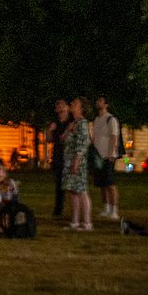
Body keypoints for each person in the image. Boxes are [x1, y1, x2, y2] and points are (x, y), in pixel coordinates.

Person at [60, 97, 93, 230]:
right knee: (73, 191)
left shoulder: (83, 123)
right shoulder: (74, 123)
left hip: (77, 162)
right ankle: (74, 222)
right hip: (69, 161)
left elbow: (83, 143)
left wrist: (76, 161)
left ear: (81, 108)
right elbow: (62, 139)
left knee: (81, 191)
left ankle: (86, 223)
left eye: (75, 103)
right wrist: (68, 129)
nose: (72, 104)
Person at [90, 96, 123, 221]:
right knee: (102, 184)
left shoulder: (111, 119)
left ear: (106, 104)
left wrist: (111, 153)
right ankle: (107, 208)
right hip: (98, 156)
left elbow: (114, 137)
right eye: (97, 101)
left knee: (110, 184)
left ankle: (114, 211)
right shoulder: (97, 119)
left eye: (101, 101)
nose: (98, 103)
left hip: (108, 156)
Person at [47, 98, 71, 220]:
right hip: (57, 155)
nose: (58, 106)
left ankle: (74, 208)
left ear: (67, 107)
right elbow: (49, 139)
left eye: (61, 104)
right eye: (57, 104)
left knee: (70, 183)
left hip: (68, 155)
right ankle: (58, 208)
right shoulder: (55, 122)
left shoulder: (71, 122)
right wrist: (50, 130)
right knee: (59, 183)